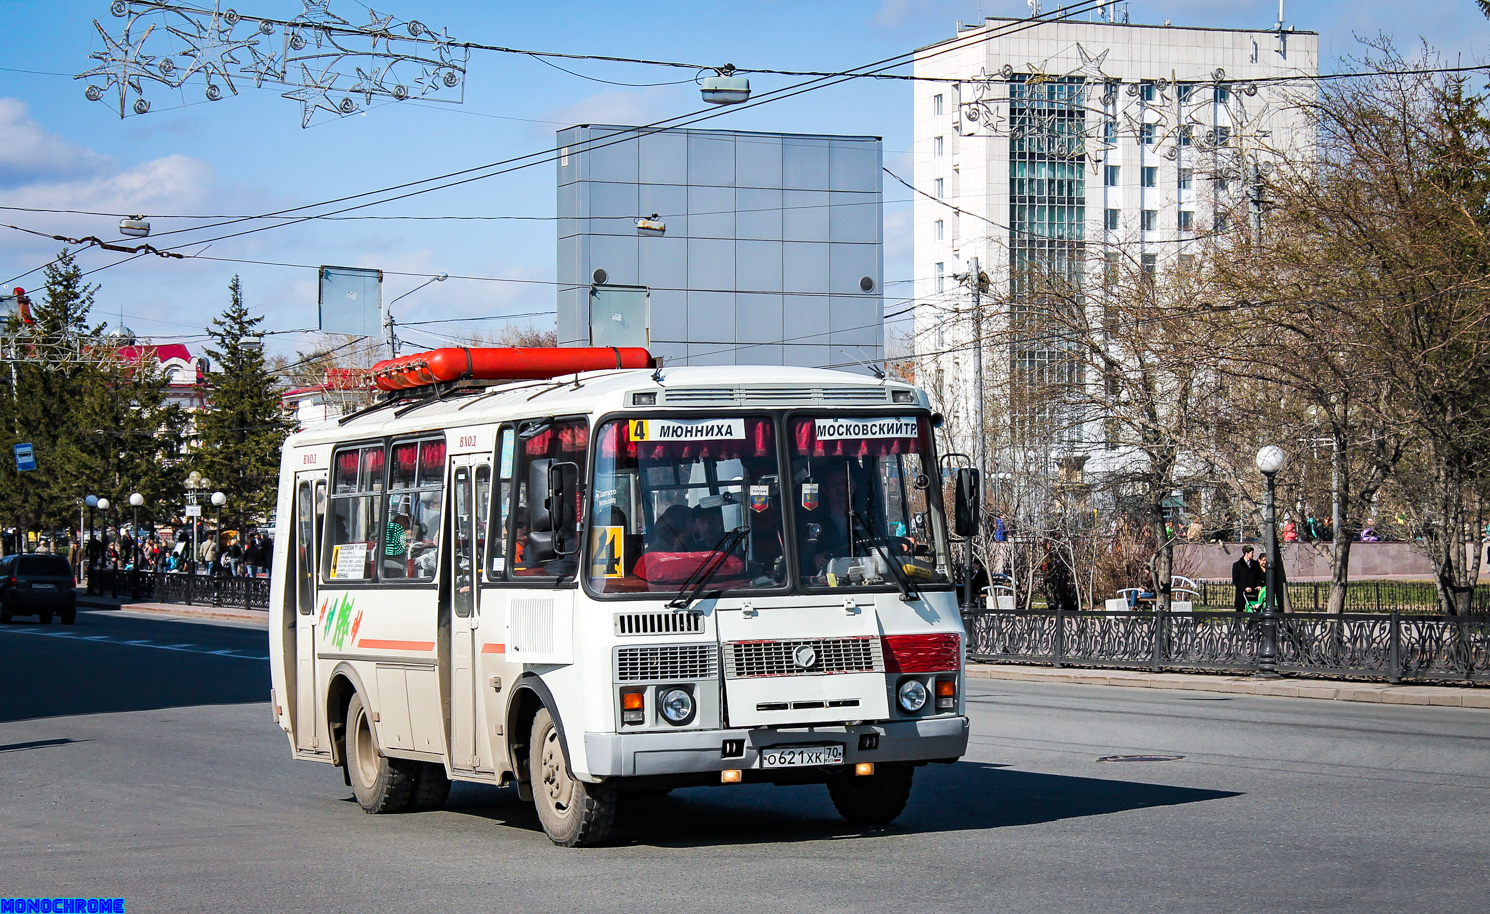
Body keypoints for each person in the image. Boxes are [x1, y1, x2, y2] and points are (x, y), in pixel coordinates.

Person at [1232, 545, 1259, 612]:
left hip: (1253, 592)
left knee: (1254, 610)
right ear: (1246, 553)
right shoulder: (1237, 565)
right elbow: (1236, 580)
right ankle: (1238, 622)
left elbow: (1258, 576)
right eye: (1252, 553)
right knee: (1239, 611)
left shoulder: (1256, 564)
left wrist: (1258, 585)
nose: (1253, 554)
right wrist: (1244, 588)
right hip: (1242, 592)